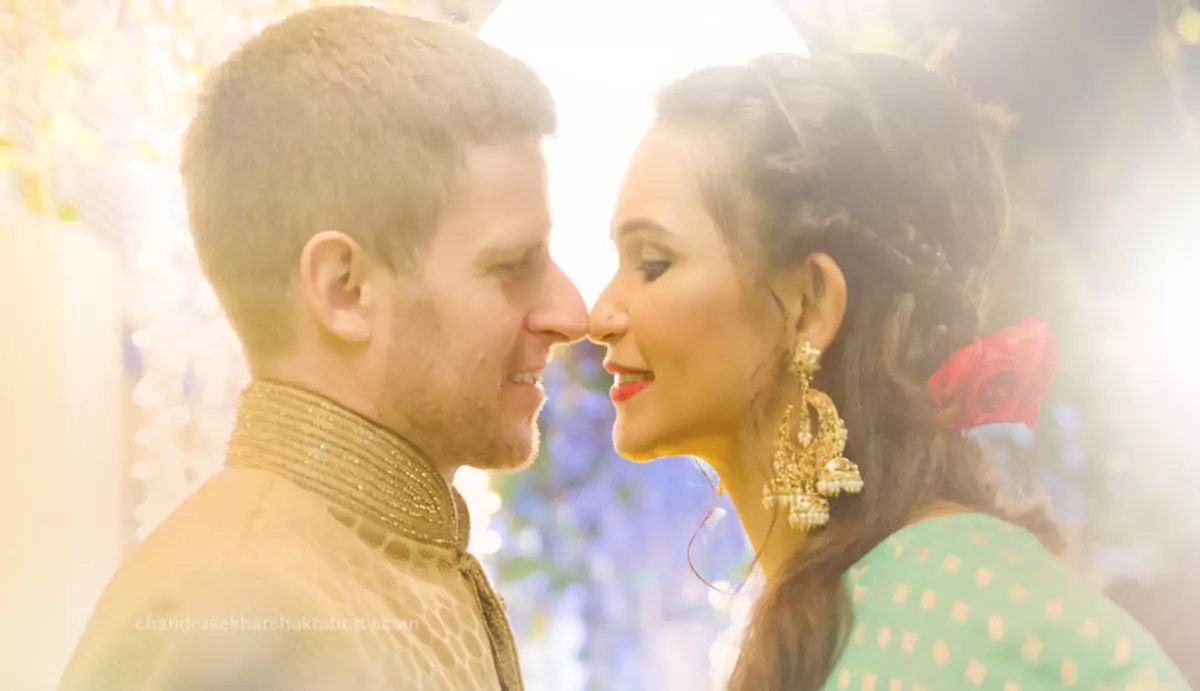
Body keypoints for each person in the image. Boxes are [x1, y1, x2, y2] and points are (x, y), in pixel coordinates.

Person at [589, 52, 1190, 691]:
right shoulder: (853, 598)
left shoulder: (975, 615)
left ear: (810, 304)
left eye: (653, 263)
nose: (597, 314)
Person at [58, 6, 585, 691]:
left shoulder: (400, 562)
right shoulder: (229, 612)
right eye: (512, 264)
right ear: (346, 291)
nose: (572, 312)